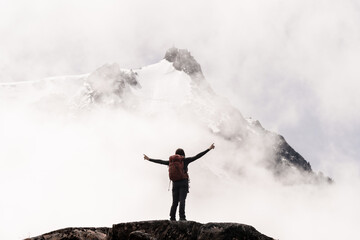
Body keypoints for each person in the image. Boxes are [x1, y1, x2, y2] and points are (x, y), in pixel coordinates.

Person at [144, 143, 215, 221]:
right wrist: (209, 149)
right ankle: (182, 217)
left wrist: (149, 159)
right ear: (183, 154)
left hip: (175, 183)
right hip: (183, 183)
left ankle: (172, 218)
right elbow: (197, 156)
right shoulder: (185, 160)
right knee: (182, 200)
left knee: (174, 202)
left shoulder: (171, 162)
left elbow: (160, 161)